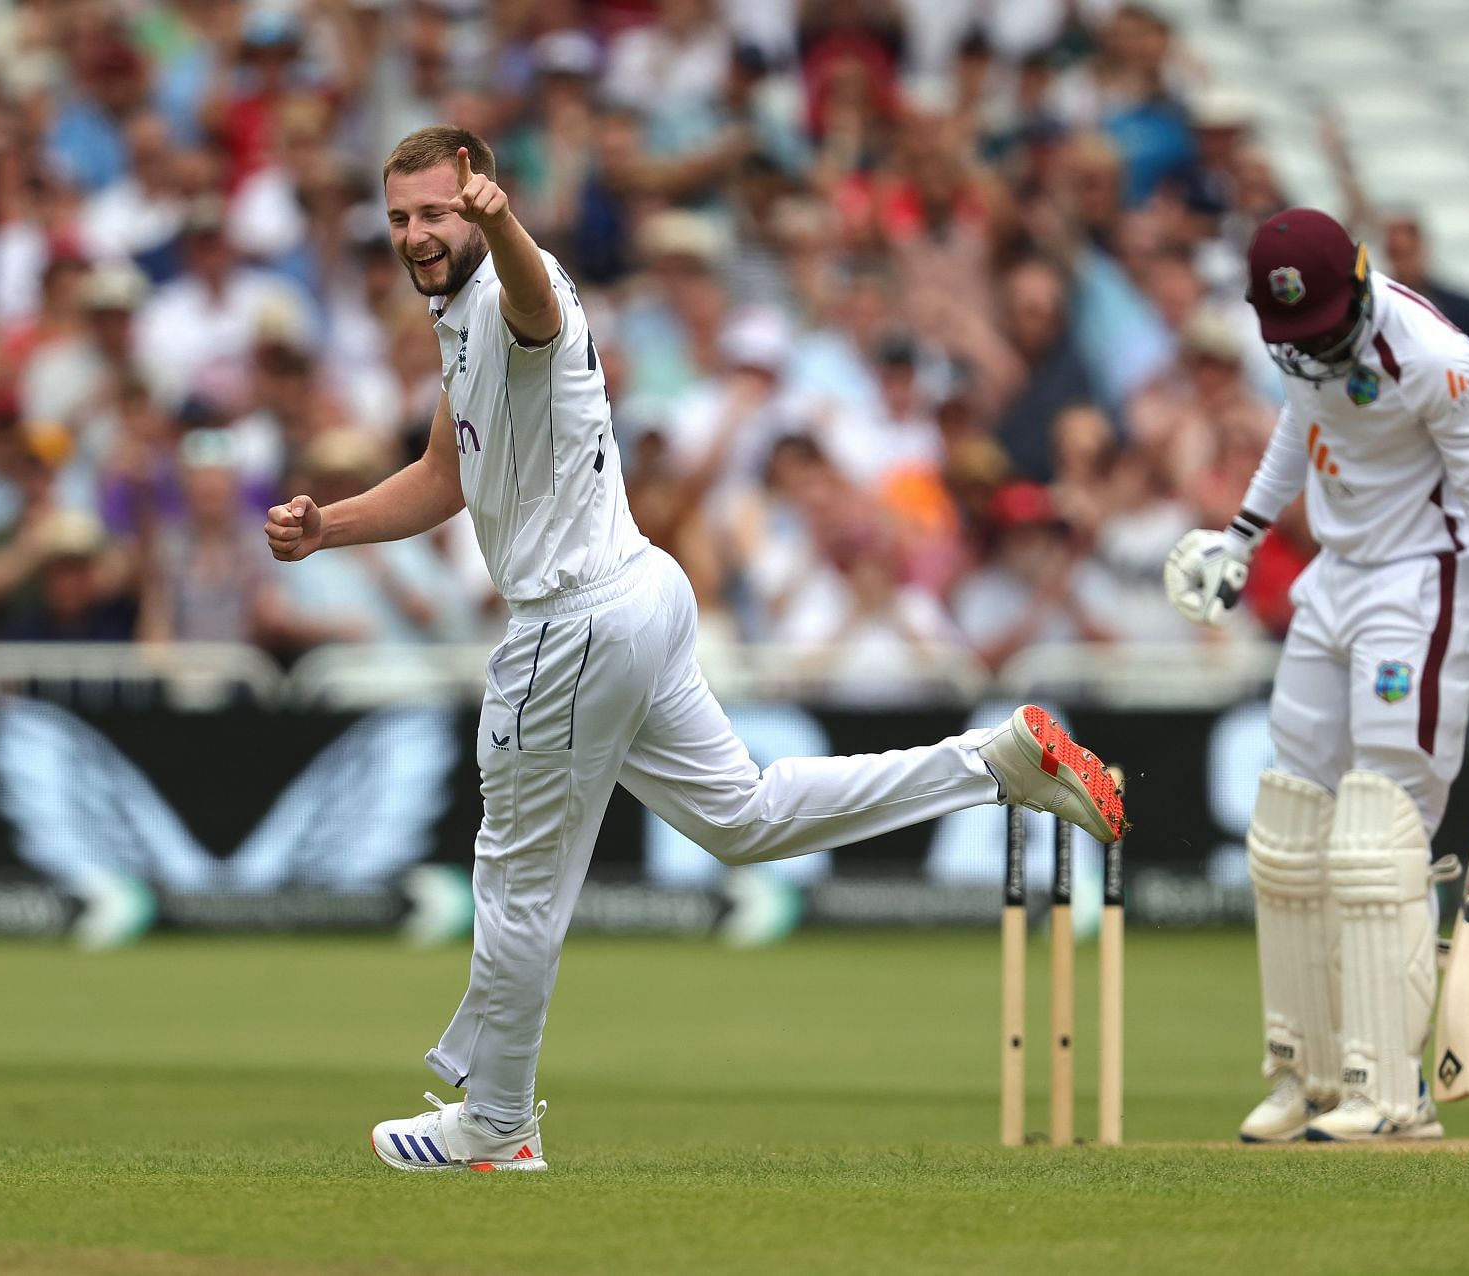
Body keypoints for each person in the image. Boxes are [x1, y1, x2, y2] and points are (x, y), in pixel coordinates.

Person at [264, 125, 1126, 1173]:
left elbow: (535, 303)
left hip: (573, 620)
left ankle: (495, 1123)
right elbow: (447, 475)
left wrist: (504, 224)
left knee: (518, 886)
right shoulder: (456, 321)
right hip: (636, 594)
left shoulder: (511, 291)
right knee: (745, 819)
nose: (417, 235)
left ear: (480, 199)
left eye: (437, 211)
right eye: (401, 218)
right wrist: (329, 529)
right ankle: (989, 764)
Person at [1164, 208, 1469, 1143]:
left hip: (1421, 588)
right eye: (1293, 334)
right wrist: (1243, 536)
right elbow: (1302, 422)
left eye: (1324, 327)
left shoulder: (1440, 361)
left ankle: (1392, 1089)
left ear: (1361, 286)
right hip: (1333, 576)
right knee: (1289, 824)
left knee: (1379, 830)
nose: (1311, 349)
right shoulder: (1301, 352)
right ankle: (1308, 1074)